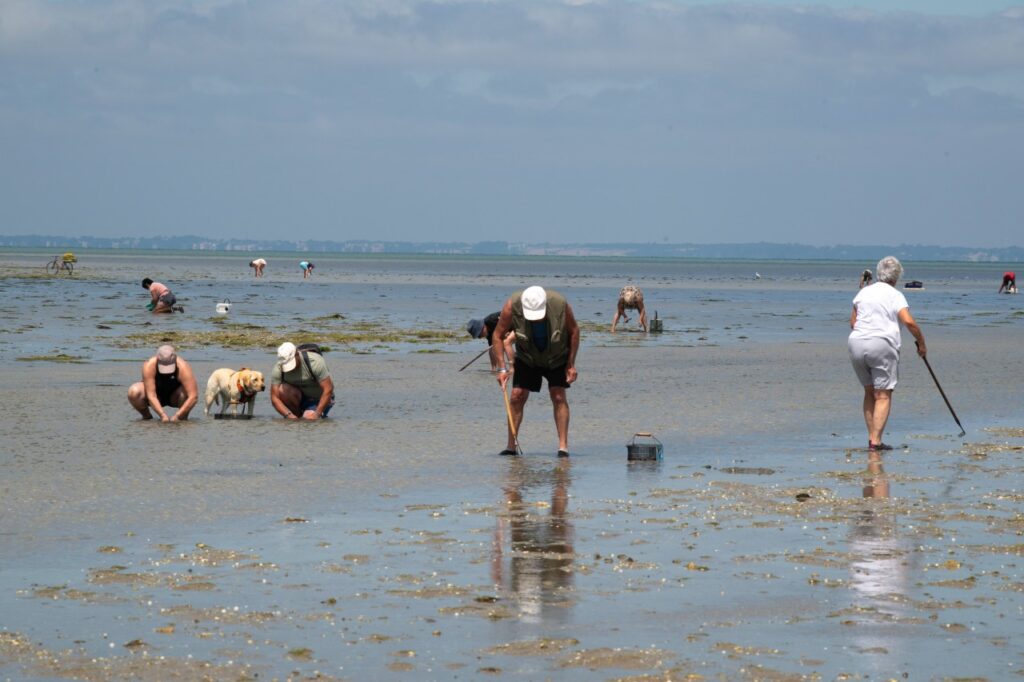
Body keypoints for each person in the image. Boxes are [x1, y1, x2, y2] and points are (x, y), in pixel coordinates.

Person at [490, 286, 580, 457]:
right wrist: (502, 368)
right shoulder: (512, 305)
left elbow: (574, 331)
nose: (536, 320)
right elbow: (497, 335)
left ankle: (563, 448)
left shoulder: (560, 304)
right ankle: (511, 446)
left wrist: (571, 364)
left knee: (558, 394)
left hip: (556, 355)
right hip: (527, 355)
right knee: (516, 395)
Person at [848, 256, 926, 452]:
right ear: (897, 276)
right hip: (881, 344)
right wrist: (921, 344)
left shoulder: (863, 292)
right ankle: (875, 442)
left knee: (869, 391)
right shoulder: (895, 295)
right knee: (883, 395)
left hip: (856, 342)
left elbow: (853, 323)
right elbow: (908, 322)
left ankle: (871, 438)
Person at [127, 344, 198, 421]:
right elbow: (151, 396)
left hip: (175, 397)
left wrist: (177, 416)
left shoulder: (183, 366)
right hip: (157, 396)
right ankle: (147, 417)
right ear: (157, 359)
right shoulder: (149, 365)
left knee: (186, 393)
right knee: (134, 391)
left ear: (175, 359)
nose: (166, 372)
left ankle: (182, 418)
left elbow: (193, 396)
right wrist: (162, 415)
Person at [270, 342, 335, 420]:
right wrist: (289, 416)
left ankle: (315, 414)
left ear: (297, 353)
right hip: (298, 399)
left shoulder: (315, 362)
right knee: (281, 389)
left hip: (319, 399)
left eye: (291, 363)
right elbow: (274, 398)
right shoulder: (278, 368)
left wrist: (317, 414)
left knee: (308, 419)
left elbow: (328, 389)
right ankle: (297, 415)